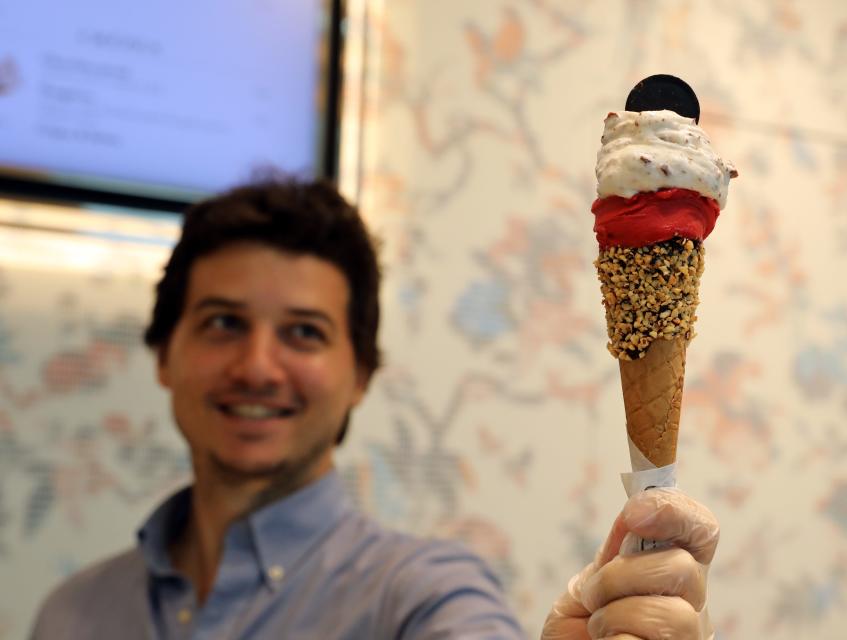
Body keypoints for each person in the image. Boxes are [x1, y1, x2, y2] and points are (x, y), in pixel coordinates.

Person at [30, 179, 720, 639]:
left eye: (304, 332)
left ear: (360, 374)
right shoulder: (69, 616)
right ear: (162, 354)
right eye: (221, 322)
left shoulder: (423, 598)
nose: (258, 367)